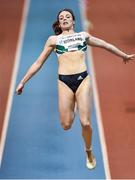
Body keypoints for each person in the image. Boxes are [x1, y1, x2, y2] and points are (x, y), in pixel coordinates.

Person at [16, 8, 134, 170]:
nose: (64, 19)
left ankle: (89, 151)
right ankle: (76, 104)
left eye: (67, 16)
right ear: (59, 23)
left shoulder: (83, 36)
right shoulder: (53, 40)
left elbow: (105, 45)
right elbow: (38, 63)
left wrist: (123, 55)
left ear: (73, 21)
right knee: (66, 125)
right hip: (64, 81)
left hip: (82, 79)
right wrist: (23, 81)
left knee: (85, 123)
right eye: (61, 17)